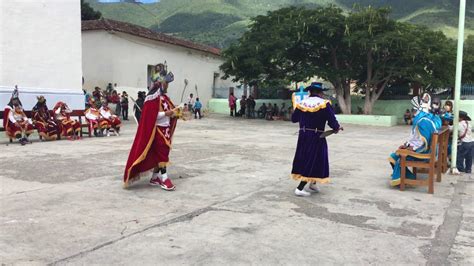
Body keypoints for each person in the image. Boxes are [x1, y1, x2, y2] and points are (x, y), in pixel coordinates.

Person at [124, 63, 179, 191]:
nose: (167, 86)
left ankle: (155, 177)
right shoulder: (151, 98)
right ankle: (164, 178)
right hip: (157, 130)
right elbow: (151, 117)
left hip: (165, 129)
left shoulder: (165, 98)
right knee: (162, 155)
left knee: (158, 155)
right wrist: (166, 113)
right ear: (160, 83)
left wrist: (177, 113)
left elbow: (170, 111)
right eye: (166, 83)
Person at [291, 82, 342, 196]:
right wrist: (337, 127)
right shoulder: (324, 104)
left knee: (309, 158)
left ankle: (313, 183)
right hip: (316, 136)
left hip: (303, 135)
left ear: (310, 91)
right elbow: (332, 120)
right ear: (320, 92)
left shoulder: (301, 103)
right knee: (313, 159)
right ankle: (300, 188)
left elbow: (294, 119)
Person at [388, 94, 442, 186]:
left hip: (423, 153)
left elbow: (423, 142)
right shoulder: (422, 119)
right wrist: (407, 145)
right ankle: (405, 177)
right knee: (393, 156)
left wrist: (411, 149)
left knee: (399, 157)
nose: (413, 113)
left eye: (414, 110)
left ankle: (405, 179)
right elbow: (415, 137)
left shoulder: (423, 121)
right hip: (423, 149)